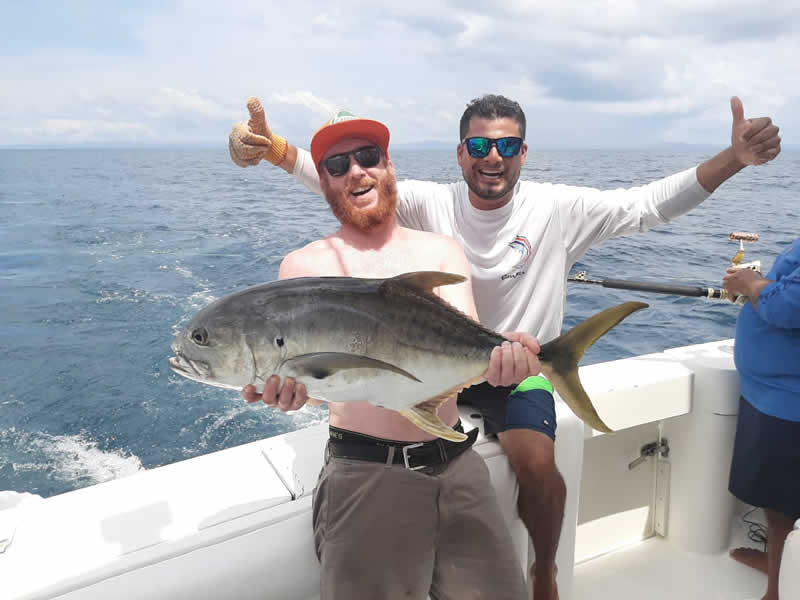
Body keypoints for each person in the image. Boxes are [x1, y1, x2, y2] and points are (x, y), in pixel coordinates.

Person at [230, 94, 781, 600]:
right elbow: (348, 179)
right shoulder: (427, 204)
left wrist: (733, 158)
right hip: (439, 372)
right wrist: (276, 151)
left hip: (519, 364)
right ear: (461, 153)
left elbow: (647, 206)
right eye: (479, 146)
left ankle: (545, 566)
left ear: (522, 152)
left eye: (506, 146)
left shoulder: (555, 208)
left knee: (539, 461)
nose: (492, 157)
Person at [252, 109, 542, 600]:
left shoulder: (443, 252)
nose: (356, 171)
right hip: (366, 474)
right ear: (323, 182)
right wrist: (291, 394)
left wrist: (509, 356)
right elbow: (315, 385)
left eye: (367, 156)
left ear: (388, 166)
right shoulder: (303, 267)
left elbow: (463, 352)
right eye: (337, 165)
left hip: (457, 462)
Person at [722, 241, 800, 600]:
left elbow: (790, 306)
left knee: (783, 504)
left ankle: (777, 590)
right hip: (775, 395)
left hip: (787, 404)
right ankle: (781, 564)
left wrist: (751, 284)